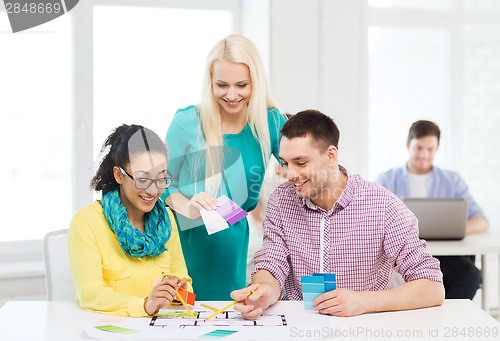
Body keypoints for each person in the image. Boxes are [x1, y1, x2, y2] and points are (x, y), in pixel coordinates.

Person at [230, 110, 444, 319]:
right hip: (299, 326)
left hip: (362, 327)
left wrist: (363, 302)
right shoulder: (282, 199)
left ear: (331, 155)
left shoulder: (382, 205)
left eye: (300, 163)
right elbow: (271, 261)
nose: (290, 174)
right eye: (285, 163)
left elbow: (432, 287)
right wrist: (265, 289)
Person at [162, 34, 286, 300]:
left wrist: (289, 171)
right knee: (178, 320)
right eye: (222, 85)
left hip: (230, 243)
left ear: (256, 82)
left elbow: (300, 162)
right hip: (184, 241)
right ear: (210, 83)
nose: (231, 95)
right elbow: (161, 181)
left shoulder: (270, 123)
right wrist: (189, 208)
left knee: (226, 321)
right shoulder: (187, 122)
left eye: (242, 85)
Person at [68, 124, 192, 317]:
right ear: (119, 175)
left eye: (161, 178)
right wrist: (145, 305)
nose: (153, 191)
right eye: (142, 179)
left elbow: (188, 291)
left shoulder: (166, 220)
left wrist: (179, 292)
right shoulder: (86, 222)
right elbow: (90, 294)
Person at [376, 120, 489, 300]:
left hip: (445, 255)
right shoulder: (386, 180)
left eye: (430, 149)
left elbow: (481, 221)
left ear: (437, 149)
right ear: (408, 145)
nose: (424, 154)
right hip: (404, 255)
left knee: (471, 276)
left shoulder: (452, 181)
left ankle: (446, 321)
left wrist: (455, 229)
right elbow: (374, 218)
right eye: (419, 148)